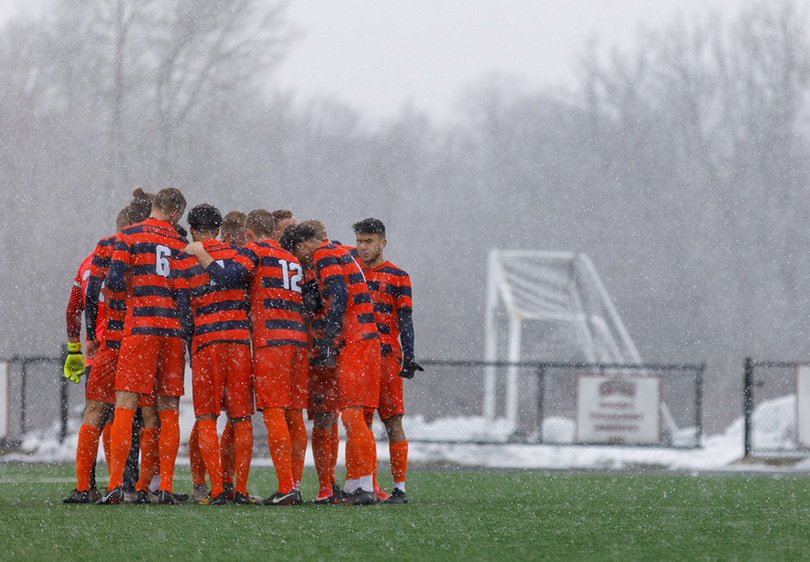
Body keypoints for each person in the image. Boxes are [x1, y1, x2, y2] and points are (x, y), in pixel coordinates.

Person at [185, 209, 306, 506]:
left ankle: (282, 486)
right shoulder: (291, 258)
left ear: (249, 233)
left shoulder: (254, 249)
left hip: (271, 339)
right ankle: (278, 485)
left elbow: (226, 277)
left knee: (269, 410)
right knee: (284, 414)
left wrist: (201, 253)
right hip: (297, 339)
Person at [97, 187, 192, 505]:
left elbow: (112, 281)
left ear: (155, 206)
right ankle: (164, 486)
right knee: (168, 411)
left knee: (125, 404)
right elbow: (183, 296)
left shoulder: (129, 235)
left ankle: (114, 485)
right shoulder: (179, 242)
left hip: (140, 329)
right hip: (172, 332)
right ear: (176, 213)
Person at [279, 222, 381, 505]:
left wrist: (331, 333)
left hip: (355, 338)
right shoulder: (339, 250)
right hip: (368, 336)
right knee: (357, 415)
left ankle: (363, 488)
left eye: (298, 255)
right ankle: (355, 485)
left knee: (350, 415)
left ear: (301, 246)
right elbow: (339, 287)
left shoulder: (323, 254)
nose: (302, 261)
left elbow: (339, 293)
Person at [181, 204, 255, 505]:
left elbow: (185, 316)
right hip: (239, 341)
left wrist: (192, 347)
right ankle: (240, 489)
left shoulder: (185, 262)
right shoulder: (240, 256)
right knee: (241, 418)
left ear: (194, 231)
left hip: (207, 342)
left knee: (207, 417)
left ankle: (214, 490)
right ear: (219, 228)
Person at [353, 218, 423, 504]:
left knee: (392, 421)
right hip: (359, 359)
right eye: (359, 241)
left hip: (386, 359)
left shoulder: (398, 276)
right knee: (363, 423)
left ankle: (399, 489)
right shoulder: (351, 273)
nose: (362, 247)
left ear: (383, 243)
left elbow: (405, 319)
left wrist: (409, 354)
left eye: (368, 241)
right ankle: (368, 485)